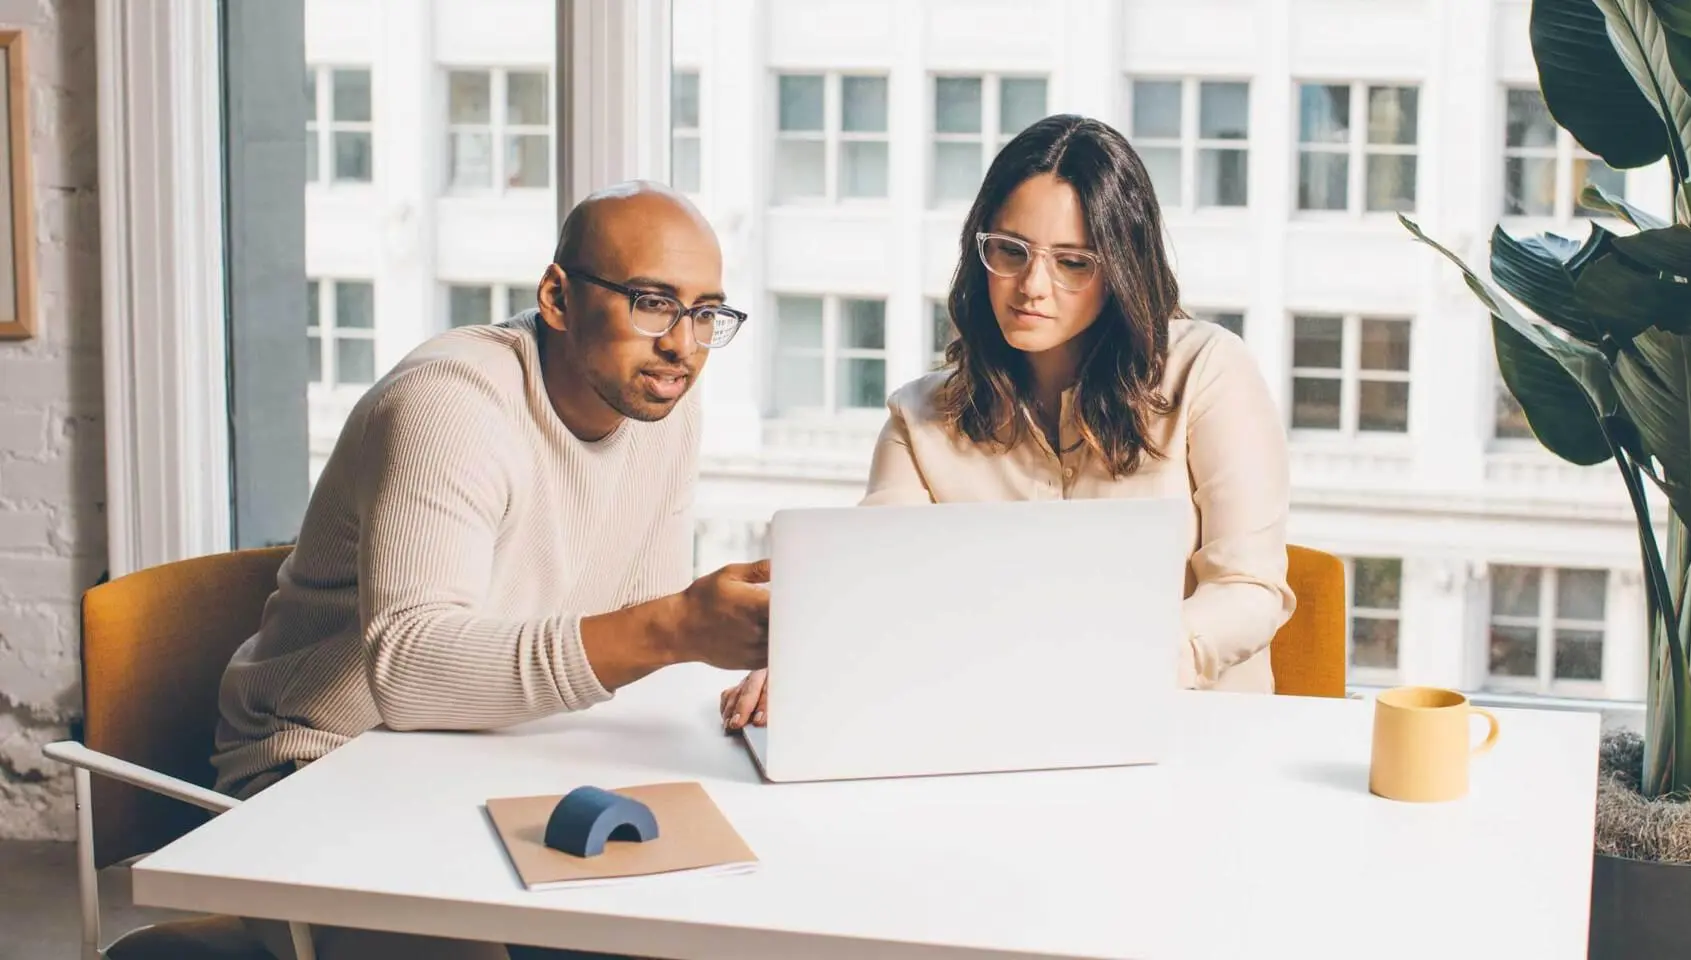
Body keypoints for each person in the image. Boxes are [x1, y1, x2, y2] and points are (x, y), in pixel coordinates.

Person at [213, 181, 768, 960]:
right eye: (652, 301)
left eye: (707, 312)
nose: (683, 344)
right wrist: (678, 626)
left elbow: (635, 623)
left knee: (721, 916)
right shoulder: (450, 403)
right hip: (317, 774)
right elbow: (405, 672)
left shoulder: (658, 404)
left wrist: (758, 648)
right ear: (557, 297)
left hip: (500, 758)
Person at [720, 115, 1294, 731]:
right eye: (1010, 252)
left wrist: (1119, 666)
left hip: (1195, 738)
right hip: (993, 739)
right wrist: (812, 663)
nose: (1031, 288)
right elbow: (878, 597)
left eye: (1074, 262)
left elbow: (1249, 589)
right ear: (981, 249)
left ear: (1122, 267)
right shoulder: (919, 421)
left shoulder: (1208, 371)